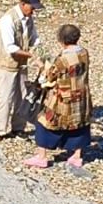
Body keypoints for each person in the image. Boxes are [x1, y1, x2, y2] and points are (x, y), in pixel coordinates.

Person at [23, 23, 91, 171]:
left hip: (64, 97)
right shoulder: (84, 53)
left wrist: (41, 64)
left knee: (46, 122)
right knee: (78, 124)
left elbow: (51, 74)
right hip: (81, 95)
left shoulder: (63, 59)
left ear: (61, 40)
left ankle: (42, 157)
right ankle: (77, 156)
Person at [0, 0, 42, 139]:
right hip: (5, 63)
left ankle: (18, 127)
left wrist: (41, 52)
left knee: (23, 95)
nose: (33, 11)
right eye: (32, 7)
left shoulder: (29, 19)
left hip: (21, 63)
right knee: (6, 97)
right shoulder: (8, 19)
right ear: (23, 4)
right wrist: (32, 56)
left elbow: (35, 39)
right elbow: (10, 47)